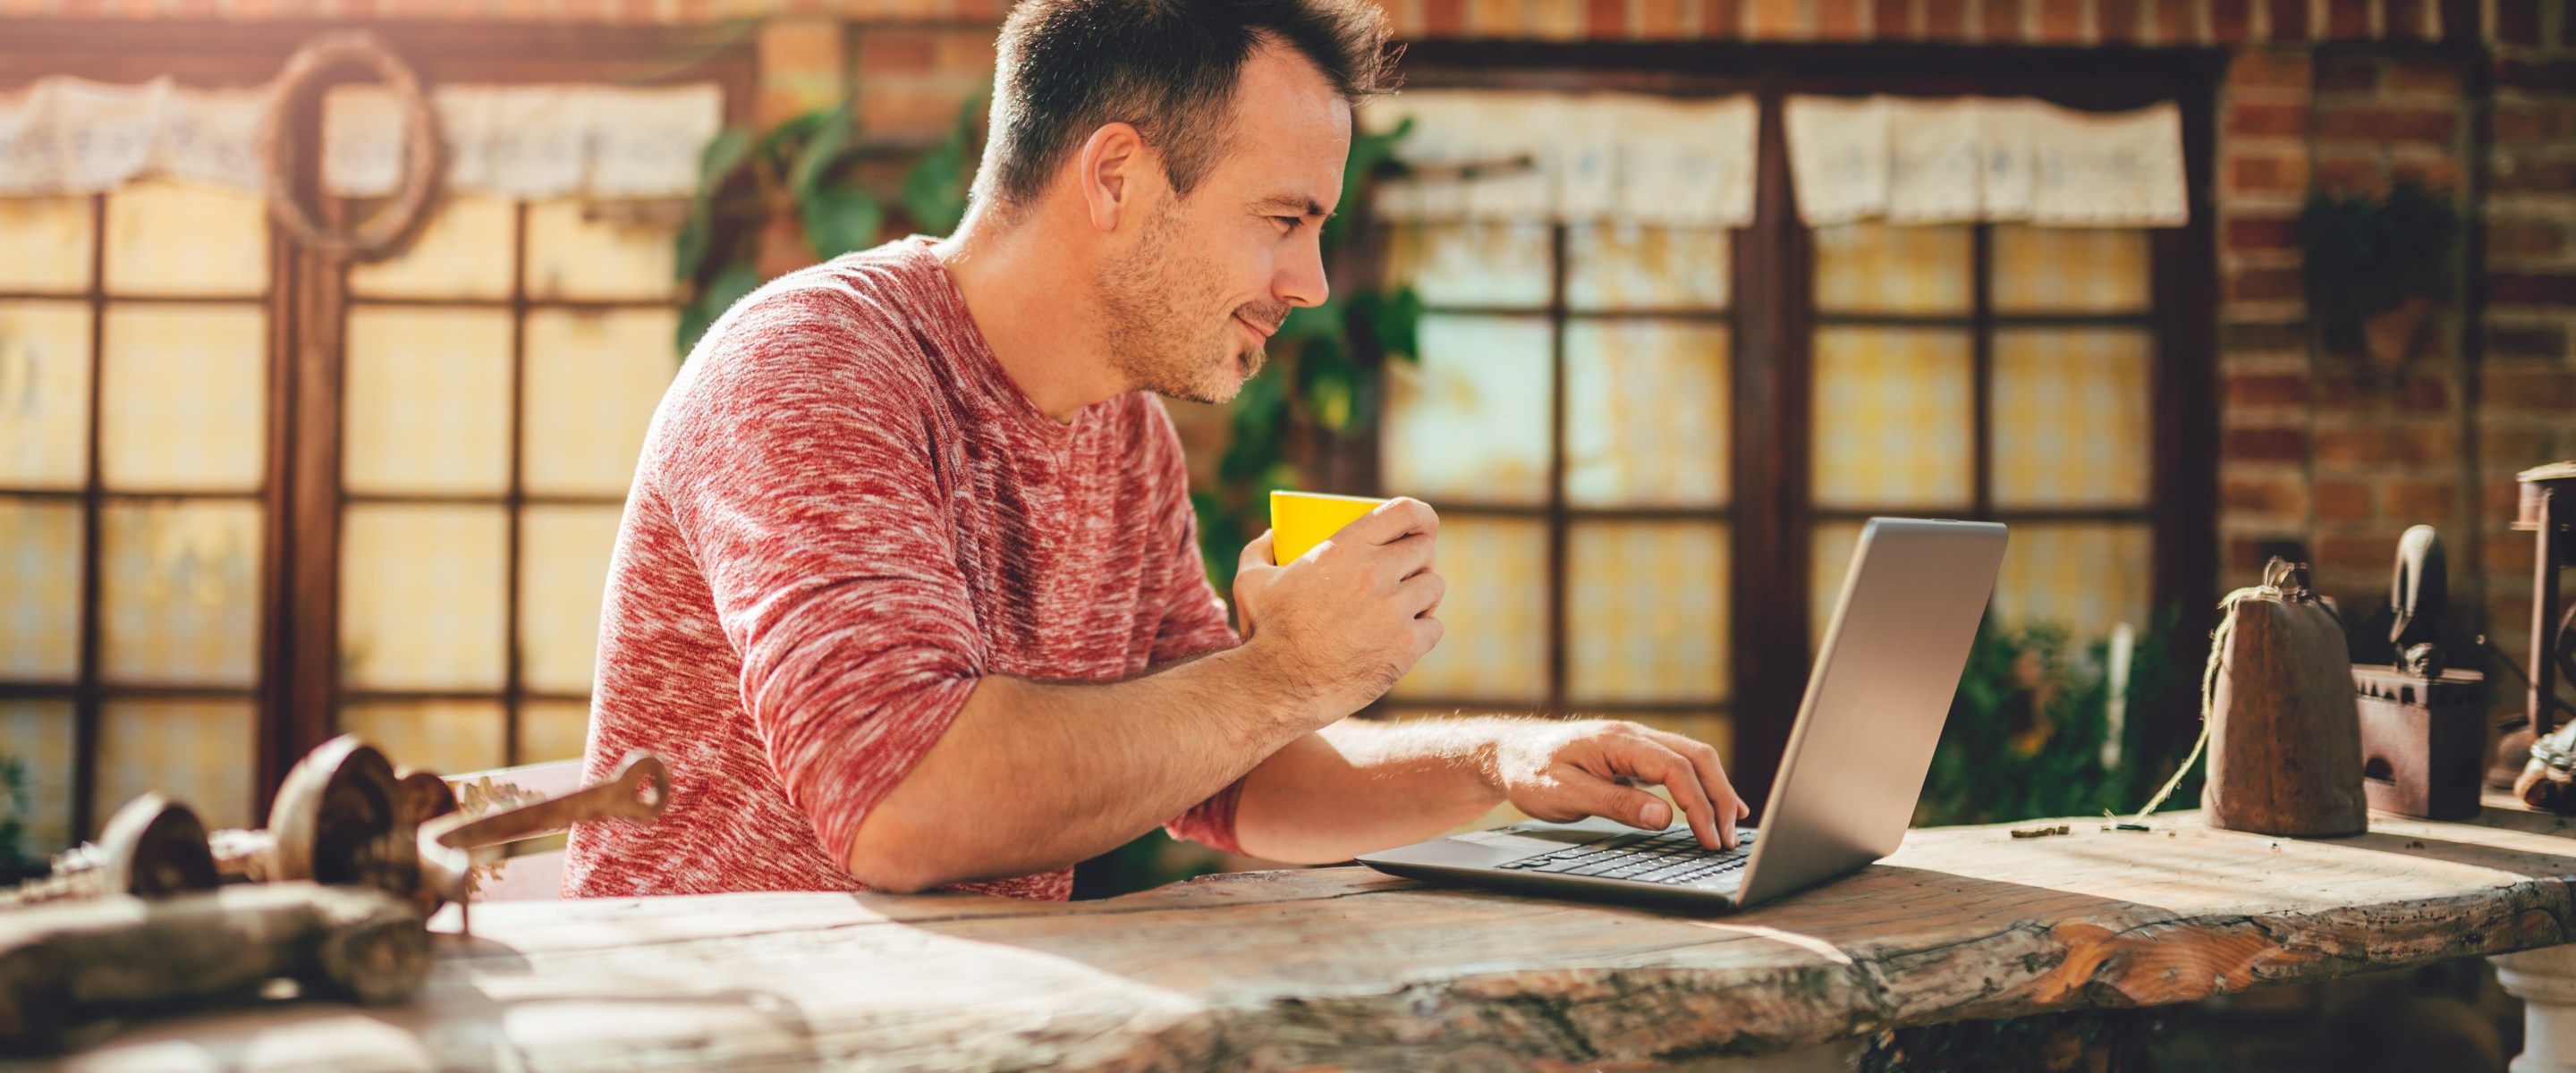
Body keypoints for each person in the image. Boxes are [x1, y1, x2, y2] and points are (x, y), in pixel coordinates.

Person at [564, 0, 1748, 900]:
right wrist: (1286, 672)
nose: (1312, 284)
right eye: (1285, 220)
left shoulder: (1125, 439)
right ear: (1119, 178)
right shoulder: (815, 367)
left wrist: (1503, 759)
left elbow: (1231, 774)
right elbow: (903, 808)